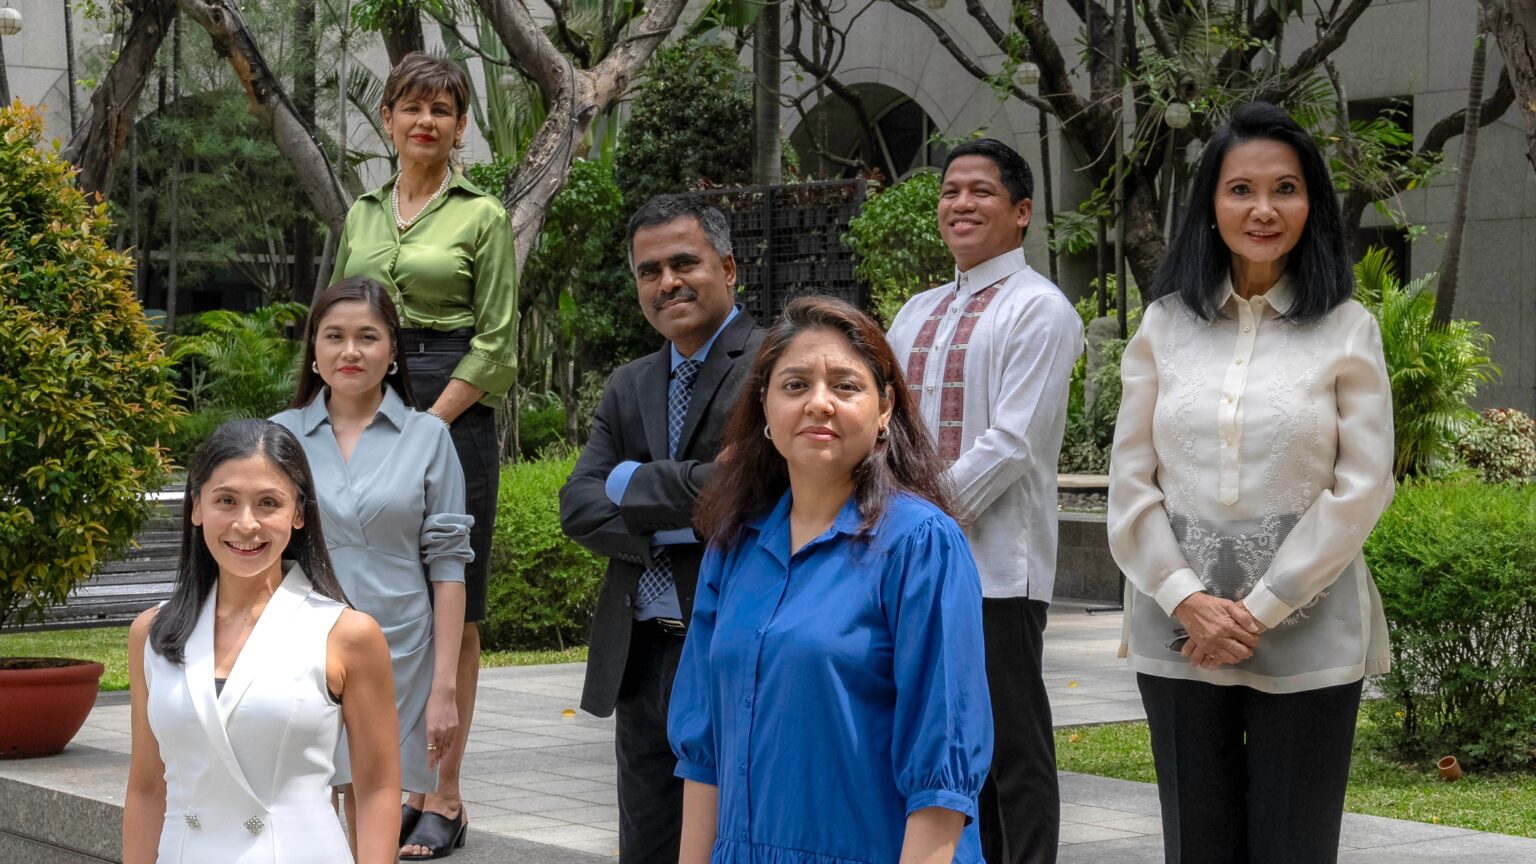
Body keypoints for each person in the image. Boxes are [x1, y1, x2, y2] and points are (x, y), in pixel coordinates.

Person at [1107, 102, 1395, 864]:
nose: (1263, 209)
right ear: (1211, 203)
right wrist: (1188, 601)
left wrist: (1260, 609)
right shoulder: (1164, 325)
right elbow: (1131, 482)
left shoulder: (1348, 328)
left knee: (1295, 846)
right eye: (1241, 189)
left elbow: (1363, 486)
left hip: (1310, 628)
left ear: (1312, 204)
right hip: (1179, 630)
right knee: (1196, 845)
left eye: (1285, 189)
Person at [670, 295, 993, 864]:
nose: (819, 403)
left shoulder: (921, 544)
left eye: (845, 386)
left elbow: (942, 771)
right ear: (765, 405)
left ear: (885, 408)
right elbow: (704, 753)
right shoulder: (734, 544)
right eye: (795, 385)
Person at [329, 52, 517, 857]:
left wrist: (427, 426)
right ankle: (392, 782)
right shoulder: (362, 213)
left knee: (452, 602)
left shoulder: (485, 216)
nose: (425, 122)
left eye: (442, 109)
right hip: (369, 401)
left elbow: (498, 345)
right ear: (388, 119)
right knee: (378, 596)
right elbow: (340, 316)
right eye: (411, 107)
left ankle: (443, 793)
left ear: (461, 124)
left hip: (452, 410)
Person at [885, 137, 1083, 864]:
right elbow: (886, 425)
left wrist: (915, 517)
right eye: (950, 191)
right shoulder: (915, 311)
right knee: (931, 734)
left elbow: (1014, 443)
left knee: (1011, 748)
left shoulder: (1041, 309)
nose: (960, 204)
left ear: (1022, 211)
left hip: (996, 569)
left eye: (981, 191)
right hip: (905, 560)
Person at [559, 194, 765, 863]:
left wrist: (630, 483)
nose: (667, 282)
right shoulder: (630, 383)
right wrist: (685, 512)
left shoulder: (771, 364)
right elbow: (578, 505)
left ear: (727, 267)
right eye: (650, 271)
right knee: (645, 844)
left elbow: (752, 486)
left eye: (684, 263)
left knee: (730, 835)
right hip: (640, 652)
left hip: (728, 640)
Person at [123, 419, 400, 864]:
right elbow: (146, 787)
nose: (246, 524)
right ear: (197, 506)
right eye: (226, 500)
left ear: (298, 513)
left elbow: (378, 788)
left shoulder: (345, 635)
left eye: (268, 503)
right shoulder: (153, 634)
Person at [271, 277, 473, 859]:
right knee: (307, 796)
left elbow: (449, 569)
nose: (350, 351)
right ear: (314, 349)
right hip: (303, 641)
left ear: (392, 352)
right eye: (334, 336)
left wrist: (444, 689)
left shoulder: (429, 437)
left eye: (367, 336)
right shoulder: (280, 435)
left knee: (374, 793)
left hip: (401, 645)